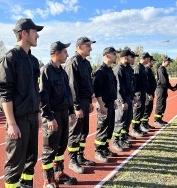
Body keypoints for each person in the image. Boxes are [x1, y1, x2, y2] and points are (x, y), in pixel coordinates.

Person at [0, 18, 43, 188]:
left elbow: (35, 91)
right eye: (35, 31)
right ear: (24, 33)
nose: (37, 35)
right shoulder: (10, 58)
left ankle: (27, 185)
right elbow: (4, 93)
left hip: (31, 117)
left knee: (31, 158)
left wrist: (37, 114)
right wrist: (11, 123)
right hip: (18, 119)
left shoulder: (33, 61)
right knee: (15, 163)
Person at [39, 41, 77, 187]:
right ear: (57, 53)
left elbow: (68, 93)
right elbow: (43, 97)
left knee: (61, 146)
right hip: (52, 115)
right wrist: (49, 117)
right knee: (49, 149)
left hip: (64, 113)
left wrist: (72, 111)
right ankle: (48, 180)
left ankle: (59, 173)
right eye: (65, 52)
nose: (67, 54)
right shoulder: (46, 71)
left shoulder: (62, 71)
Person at [64, 36, 96, 174]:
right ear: (80, 47)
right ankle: (72, 160)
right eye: (88, 46)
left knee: (84, 132)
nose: (91, 48)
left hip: (85, 101)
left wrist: (89, 102)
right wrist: (76, 107)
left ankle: (80, 156)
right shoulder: (72, 63)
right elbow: (72, 87)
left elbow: (88, 83)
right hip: (76, 103)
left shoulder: (86, 63)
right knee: (75, 132)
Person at [93, 47, 118, 163]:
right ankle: (98, 151)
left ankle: (105, 148)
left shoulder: (109, 70)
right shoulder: (100, 71)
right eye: (114, 54)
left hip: (110, 103)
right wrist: (101, 105)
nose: (115, 56)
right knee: (102, 128)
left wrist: (114, 101)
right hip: (103, 104)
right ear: (107, 55)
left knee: (110, 127)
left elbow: (111, 88)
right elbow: (97, 90)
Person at [112, 49, 133, 152]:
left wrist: (131, 98)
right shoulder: (118, 69)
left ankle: (122, 138)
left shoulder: (127, 68)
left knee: (127, 120)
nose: (132, 59)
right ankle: (115, 141)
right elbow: (118, 88)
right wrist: (122, 101)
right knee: (119, 121)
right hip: (122, 100)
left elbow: (130, 85)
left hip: (128, 98)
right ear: (125, 57)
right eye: (130, 57)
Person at [131, 52, 151, 136]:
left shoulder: (142, 68)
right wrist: (134, 95)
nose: (149, 60)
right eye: (148, 58)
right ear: (145, 58)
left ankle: (138, 127)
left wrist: (148, 93)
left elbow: (145, 82)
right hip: (138, 93)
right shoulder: (138, 68)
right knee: (137, 111)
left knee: (141, 111)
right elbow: (134, 82)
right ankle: (135, 129)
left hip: (142, 93)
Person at [154, 56, 176, 126]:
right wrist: (171, 87)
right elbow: (164, 81)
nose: (169, 64)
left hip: (163, 89)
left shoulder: (163, 69)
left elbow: (166, 81)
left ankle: (160, 119)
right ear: (164, 61)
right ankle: (157, 120)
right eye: (168, 62)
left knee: (163, 105)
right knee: (160, 104)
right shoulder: (161, 69)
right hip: (161, 89)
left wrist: (171, 87)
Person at [141, 55, 157, 129]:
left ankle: (146, 123)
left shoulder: (149, 69)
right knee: (146, 109)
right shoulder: (146, 69)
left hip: (151, 92)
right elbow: (146, 83)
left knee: (150, 108)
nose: (153, 62)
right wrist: (148, 93)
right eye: (152, 61)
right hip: (148, 93)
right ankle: (143, 124)